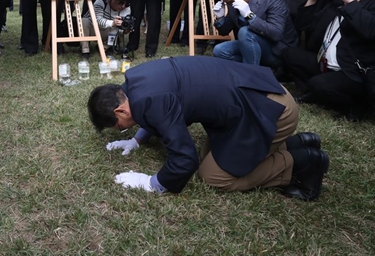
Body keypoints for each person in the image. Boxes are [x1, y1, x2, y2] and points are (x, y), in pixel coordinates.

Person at [87, 56, 329, 201]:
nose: (123, 129)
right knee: (210, 158)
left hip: (271, 110)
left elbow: (185, 159)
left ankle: (301, 162)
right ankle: (298, 142)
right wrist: (137, 140)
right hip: (256, 95)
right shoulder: (135, 81)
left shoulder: (150, 101)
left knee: (214, 176)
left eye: (119, 127)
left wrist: (152, 183)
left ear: (120, 111)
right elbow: (161, 108)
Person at [281, 0, 375, 121]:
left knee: (319, 84)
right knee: (289, 54)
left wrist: (351, 3)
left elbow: (370, 31)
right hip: (325, 62)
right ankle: (316, 93)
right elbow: (303, 25)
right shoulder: (334, 4)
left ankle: (354, 105)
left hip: (353, 71)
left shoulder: (370, 6)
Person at [212, 0, 298, 68]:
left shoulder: (273, 0)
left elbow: (276, 34)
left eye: (232, 1)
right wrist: (220, 18)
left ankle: (250, 75)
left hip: (277, 50)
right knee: (219, 50)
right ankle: (258, 69)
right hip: (250, 47)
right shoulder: (233, 3)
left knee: (244, 32)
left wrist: (250, 16)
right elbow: (224, 31)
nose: (231, 4)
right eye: (227, 3)